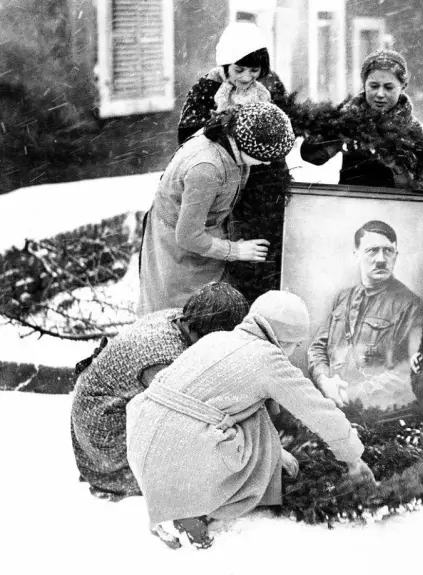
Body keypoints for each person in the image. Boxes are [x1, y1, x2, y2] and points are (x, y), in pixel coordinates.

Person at [126, 291, 376, 549]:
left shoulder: (218, 338)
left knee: (240, 408)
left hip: (143, 441)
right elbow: (319, 412)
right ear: (286, 339)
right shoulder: (268, 358)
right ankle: (196, 509)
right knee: (257, 417)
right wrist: (353, 458)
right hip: (185, 449)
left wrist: (277, 453)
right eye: (296, 344)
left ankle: (175, 500)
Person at [70, 282, 249, 501]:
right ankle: (120, 481)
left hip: (96, 408)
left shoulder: (179, 318)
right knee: (198, 456)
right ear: (204, 332)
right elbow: (188, 418)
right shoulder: (164, 362)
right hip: (104, 435)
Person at [138, 102, 295, 316]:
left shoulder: (230, 138)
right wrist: (236, 251)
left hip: (204, 236)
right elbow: (188, 236)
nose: (267, 164)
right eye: (264, 158)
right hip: (177, 250)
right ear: (245, 146)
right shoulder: (206, 169)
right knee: (183, 314)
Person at [307, 220, 423, 411]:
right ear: (356, 255)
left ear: (396, 256)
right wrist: (323, 381)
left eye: (388, 251)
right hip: (334, 407)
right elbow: (317, 347)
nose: (381, 259)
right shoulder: (343, 298)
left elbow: (405, 374)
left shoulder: (411, 306)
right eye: (372, 250)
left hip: (381, 416)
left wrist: (346, 395)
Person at [299, 49, 422, 188]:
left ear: (403, 86)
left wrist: (396, 166)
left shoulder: (411, 128)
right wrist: (329, 138)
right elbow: (311, 156)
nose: (380, 94)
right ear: (364, 84)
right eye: (374, 86)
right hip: (349, 202)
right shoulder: (348, 119)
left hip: (393, 206)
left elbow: (418, 187)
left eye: (388, 87)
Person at [177, 21, 287, 146]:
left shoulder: (268, 82)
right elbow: (187, 136)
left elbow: (285, 122)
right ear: (225, 65)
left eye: (254, 70)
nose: (246, 78)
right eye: (238, 70)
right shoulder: (208, 87)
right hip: (222, 160)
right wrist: (216, 127)